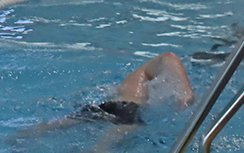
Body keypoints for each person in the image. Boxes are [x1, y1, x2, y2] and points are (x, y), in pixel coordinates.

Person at [23, 52, 194, 139]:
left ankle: (19, 137)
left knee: (59, 124)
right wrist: (186, 91)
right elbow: (168, 57)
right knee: (103, 150)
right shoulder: (142, 73)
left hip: (106, 106)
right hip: (127, 109)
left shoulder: (128, 81)